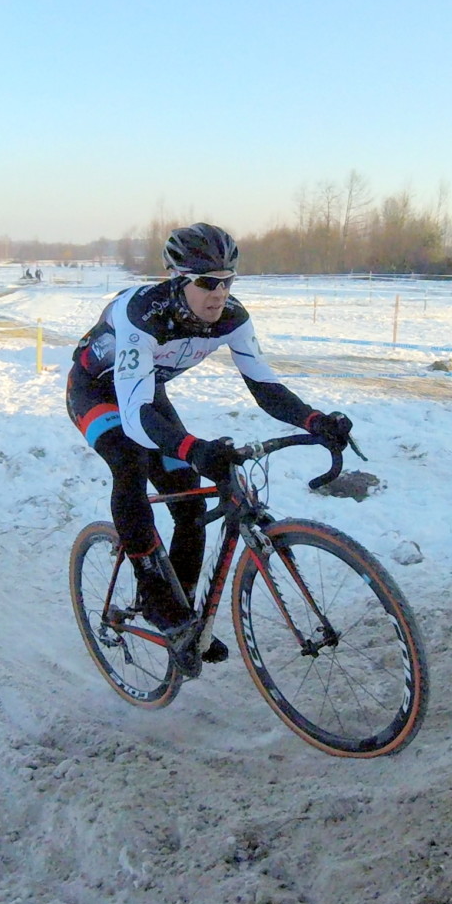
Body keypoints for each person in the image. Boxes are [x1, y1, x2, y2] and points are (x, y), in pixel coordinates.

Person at [65, 222, 352, 662]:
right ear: (179, 280)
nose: (220, 293)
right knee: (129, 460)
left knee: (189, 505)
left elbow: (265, 387)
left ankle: (179, 616)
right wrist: (193, 448)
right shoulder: (142, 314)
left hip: (145, 391)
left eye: (228, 280)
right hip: (96, 391)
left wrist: (316, 420)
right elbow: (136, 417)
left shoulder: (232, 318)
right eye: (207, 283)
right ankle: (153, 589)